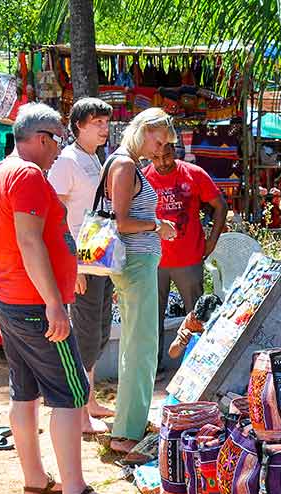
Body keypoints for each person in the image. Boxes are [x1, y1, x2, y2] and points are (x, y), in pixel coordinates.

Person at [0, 102, 133, 494]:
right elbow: (30, 242)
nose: (59, 148)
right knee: (69, 393)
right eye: (58, 139)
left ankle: (35, 480)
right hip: (32, 304)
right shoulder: (27, 176)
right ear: (43, 138)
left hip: (10, 299)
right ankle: (76, 491)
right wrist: (52, 304)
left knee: (23, 391)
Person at [103, 108, 177, 454]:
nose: (160, 150)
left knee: (138, 345)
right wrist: (156, 226)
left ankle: (127, 424)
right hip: (135, 262)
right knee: (142, 347)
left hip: (135, 262)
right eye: (158, 140)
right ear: (144, 130)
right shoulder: (125, 164)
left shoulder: (125, 162)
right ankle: (127, 434)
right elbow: (119, 222)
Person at [47, 97, 115, 434]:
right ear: (79, 126)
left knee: (100, 330)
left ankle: (89, 401)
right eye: (97, 123)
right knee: (86, 333)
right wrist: (71, 266)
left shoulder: (93, 157)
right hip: (81, 260)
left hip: (101, 253)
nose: (104, 128)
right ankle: (81, 413)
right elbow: (54, 216)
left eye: (105, 122)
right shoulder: (67, 162)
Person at [144, 142, 227, 366]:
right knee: (151, 318)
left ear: (176, 152)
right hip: (154, 259)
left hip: (188, 258)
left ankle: (197, 366)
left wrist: (211, 241)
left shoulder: (194, 174)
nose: (162, 162)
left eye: (167, 156)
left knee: (197, 316)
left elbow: (220, 205)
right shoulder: (142, 178)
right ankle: (152, 369)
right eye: (156, 157)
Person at [168, 293, 222, 359]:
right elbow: (172, 354)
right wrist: (181, 343)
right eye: (200, 323)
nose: (203, 326)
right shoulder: (192, 320)